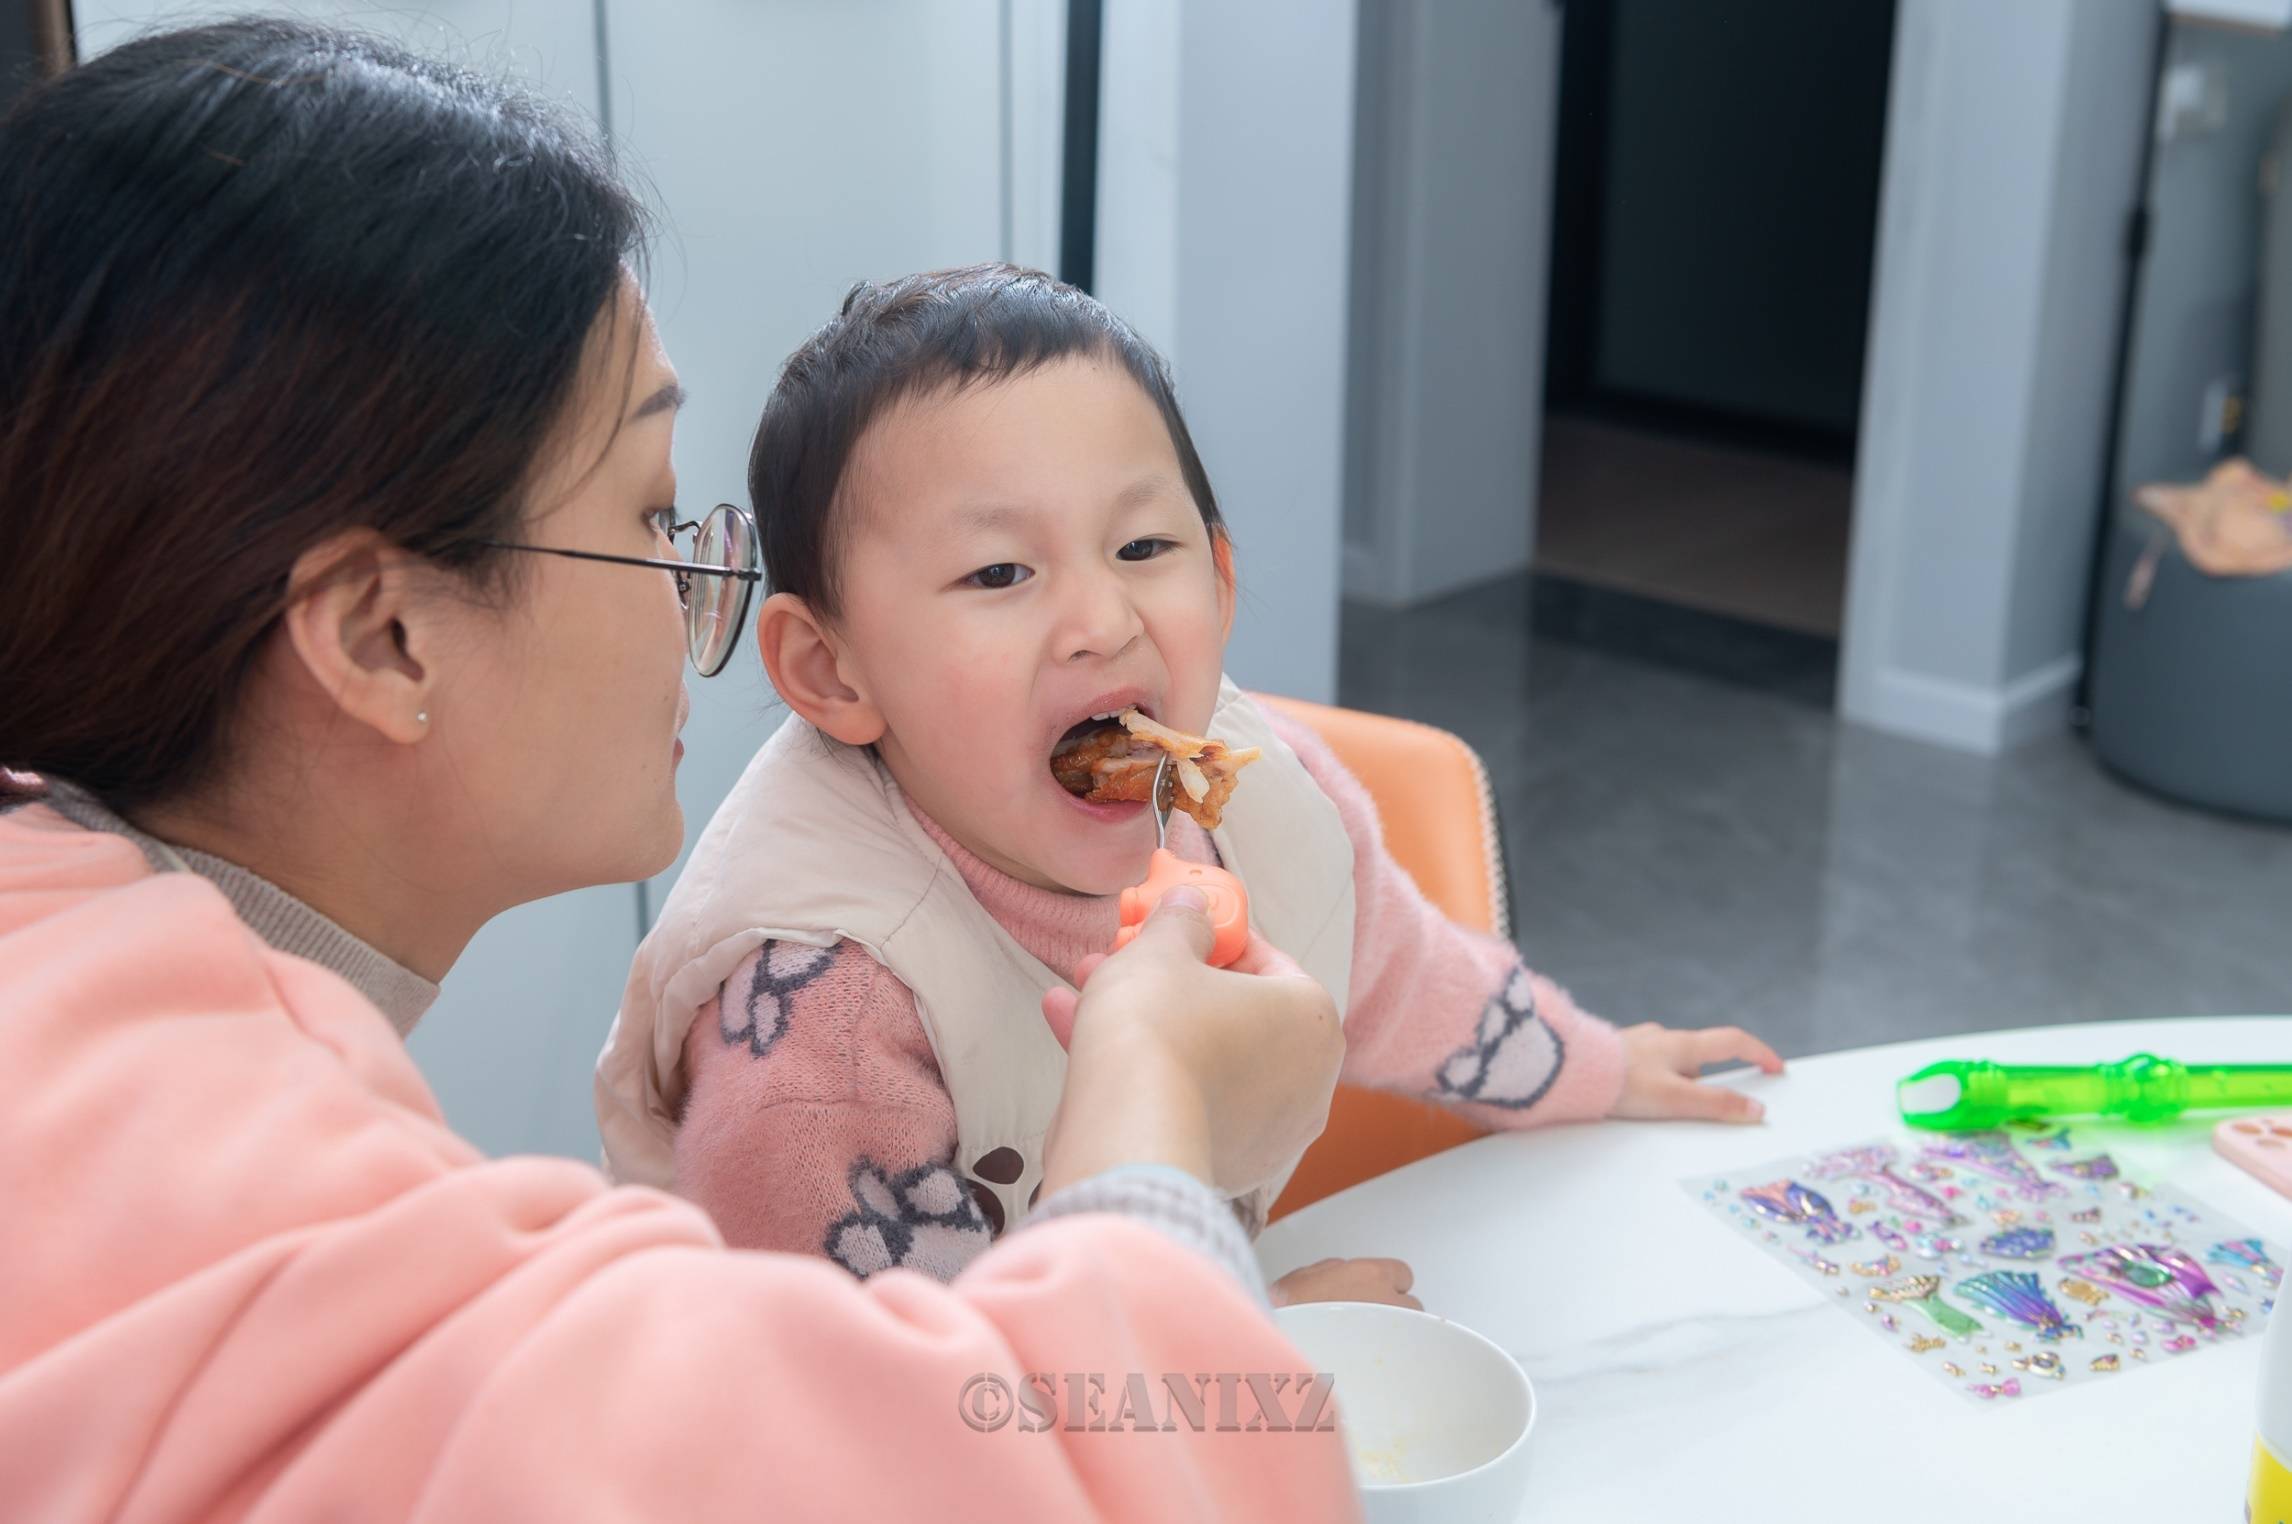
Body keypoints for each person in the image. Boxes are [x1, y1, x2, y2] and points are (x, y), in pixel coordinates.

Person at [0, 22, 1362, 1518]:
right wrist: (1157, 1105)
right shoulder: (298, 1237)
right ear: (386, 637)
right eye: (651, 514)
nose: (692, 591)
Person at [599, 265, 1786, 1306]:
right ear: (832, 668)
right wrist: (1253, 1341)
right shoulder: (821, 1024)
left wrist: (1600, 1066)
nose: (1100, 622)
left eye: (1143, 549)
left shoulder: (1264, 799)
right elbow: (893, 1428)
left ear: (1219, 579)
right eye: (1000, 570)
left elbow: (1403, 973)